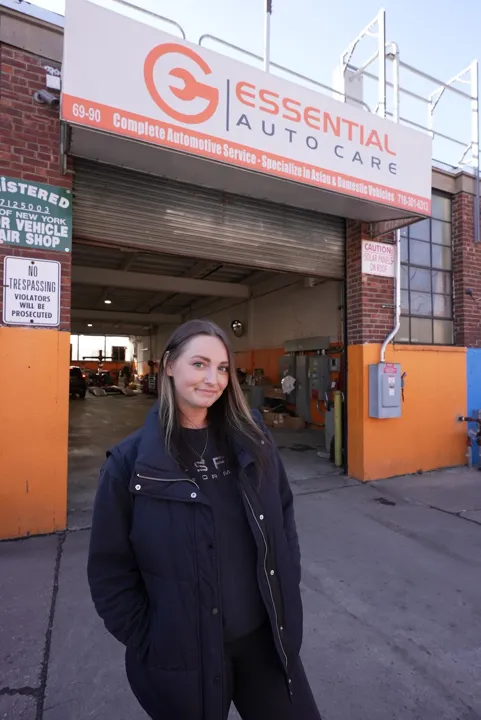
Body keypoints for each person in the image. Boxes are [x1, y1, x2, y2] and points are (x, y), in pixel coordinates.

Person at [87, 319, 321, 720]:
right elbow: (110, 571)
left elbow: (283, 519)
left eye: (222, 367)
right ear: (169, 366)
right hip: (184, 658)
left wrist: (286, 581)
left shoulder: (254, 440)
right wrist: (152, 642)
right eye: (199, 364)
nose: (213, 379)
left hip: (264, 641)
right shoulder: (130, 464)